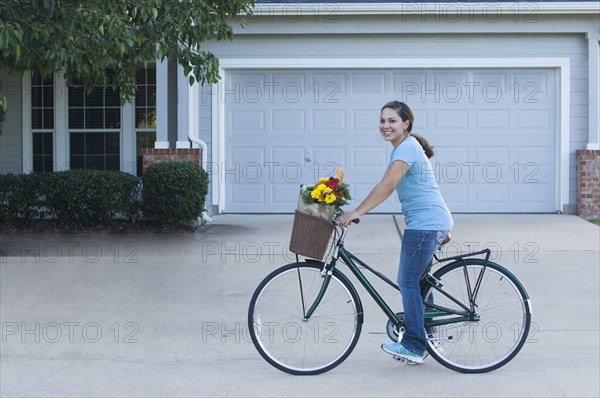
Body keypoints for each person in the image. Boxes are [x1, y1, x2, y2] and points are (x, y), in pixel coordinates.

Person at [339, 100, 453, 364]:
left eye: (392, 121)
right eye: (382, 121)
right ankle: (427, 338)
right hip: (429, 223)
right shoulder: (405, 148)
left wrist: (358, 211)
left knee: (408, 281)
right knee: (419, 282)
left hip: (426, 226)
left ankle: (414, 345)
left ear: (406, 124)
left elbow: (388, 185)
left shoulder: (407, 148)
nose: (385, 126)